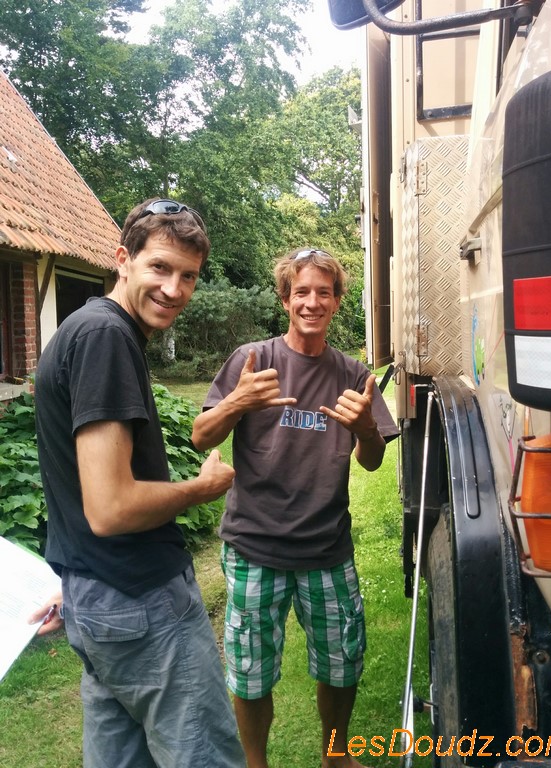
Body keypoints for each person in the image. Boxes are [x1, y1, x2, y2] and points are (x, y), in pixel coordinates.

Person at [31, 198, 246, 768]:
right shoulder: (106, 338)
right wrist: (203, 488)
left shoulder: (83, 328)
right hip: (141, 599)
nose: (174, 289)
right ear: (123, 259)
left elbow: (77, 484)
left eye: (188, 276)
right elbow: (111, 507)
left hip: (96, 593)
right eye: (160, 267)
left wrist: (81, 586)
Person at [192, 247, 399, 768]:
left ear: (336, 302)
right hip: (254, 545)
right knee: (251, 671)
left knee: (342, 662)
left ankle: (336, 756)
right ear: (285, 299)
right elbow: (201, 436)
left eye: (323, 293)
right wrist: (238, 401)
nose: (312, 302)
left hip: (326, 547)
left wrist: (366, 429)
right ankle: (255, 763)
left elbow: (372, 461)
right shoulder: (252, 360)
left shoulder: (352, 374)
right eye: (301, 292)